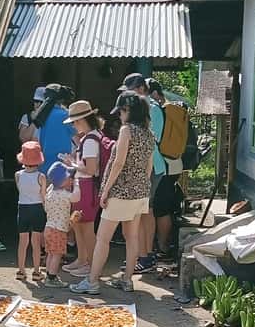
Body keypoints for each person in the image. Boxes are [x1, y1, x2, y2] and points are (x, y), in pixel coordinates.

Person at [70, 93, 154, 295]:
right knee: (131, 237)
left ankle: (92, 281)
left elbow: (118, 163)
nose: (120, 116)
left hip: (120, 191)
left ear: (128, 110)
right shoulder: (148, 133)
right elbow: (149, 166)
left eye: (122, 112)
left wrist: (106, 190)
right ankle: (127, 280)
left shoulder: (127, 131)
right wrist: (142, 186)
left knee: (102, 238)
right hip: (140, 192)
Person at [117, 73, 165, 274]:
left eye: (130, 90)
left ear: (141, 89)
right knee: (143, 211)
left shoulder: (152, 108)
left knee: (145, 211)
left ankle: (145, 256)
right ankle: (141, 255)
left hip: (151, 166)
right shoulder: (146, 107)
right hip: (145, 166)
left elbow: (152, 139)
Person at [60, 100, 106, 277]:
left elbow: (91, 169)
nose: (73, 125)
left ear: (81, 120)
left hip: (87, 187)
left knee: (86, 228)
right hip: (84, 186)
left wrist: (72, 164)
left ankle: (92, 265)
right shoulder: (92, 136)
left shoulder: (90, 140)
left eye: (74, 122)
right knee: (79, 224)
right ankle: (82, 260)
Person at [146, 78, 183, 262]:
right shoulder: (170, 109)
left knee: (161, 208)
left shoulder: (157, 110)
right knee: (163, 207)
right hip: (173, 163)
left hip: (164, 165)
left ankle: (162, 247)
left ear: (153, 93)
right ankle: (162, 246)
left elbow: (155, 140)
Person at [42, 161, 82, 288]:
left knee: (50, 253)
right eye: (68, 178)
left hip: (48, 228)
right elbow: (76, 198)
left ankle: (49, 275)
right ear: (62, 181)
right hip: (58, 230)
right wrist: (77, 183)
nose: (70, 179)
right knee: (57, 255)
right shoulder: (63, 194)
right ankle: (52, 278)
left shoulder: (50, 192)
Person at [13, 141, 47, 281]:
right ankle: (36, 271)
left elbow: (20, 190)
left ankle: (21, 271)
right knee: (36, 242)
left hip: (23, 208)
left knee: (22, 242)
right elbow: (43, 196)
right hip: (37, 208)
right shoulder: (41, 177)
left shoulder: (18, 175)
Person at [35, 83, 76, 169]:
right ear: (62, 100)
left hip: (44, 162)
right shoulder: (65, 115)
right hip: (62, 163)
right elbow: (77, 134)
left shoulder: (41, 115)